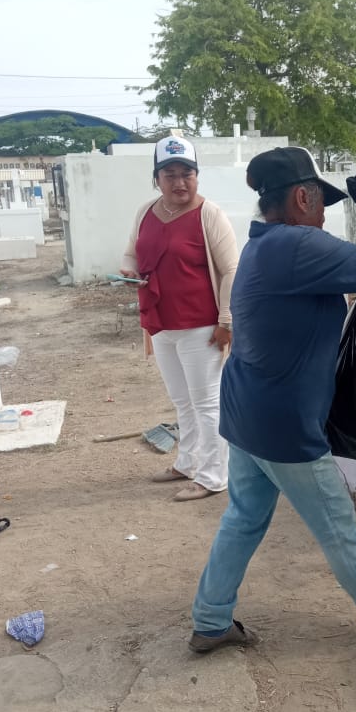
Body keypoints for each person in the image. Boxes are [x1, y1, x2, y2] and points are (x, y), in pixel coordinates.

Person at [189, 146, 356, 653]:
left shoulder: (268, 245)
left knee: (243, 519)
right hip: (284, 426)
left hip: (247, 413)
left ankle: (210, 620)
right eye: (320, 202)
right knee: (336, 523)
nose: (324, 213)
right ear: (302, 198)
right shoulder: (296, 246)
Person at [122, 136, 238, 501]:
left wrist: (226, 320)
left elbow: (232, 270)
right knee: (182, 401)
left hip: (201, 326)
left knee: (207, 403)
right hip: (160, 323)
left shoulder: (209, 215)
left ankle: (213, 476)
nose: (179, 182)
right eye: (169, 174)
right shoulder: (145, 212)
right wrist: (128, 271)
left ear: (197, 176)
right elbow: (131, 254)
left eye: (186, 173)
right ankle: (188, 463)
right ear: (156, 178)